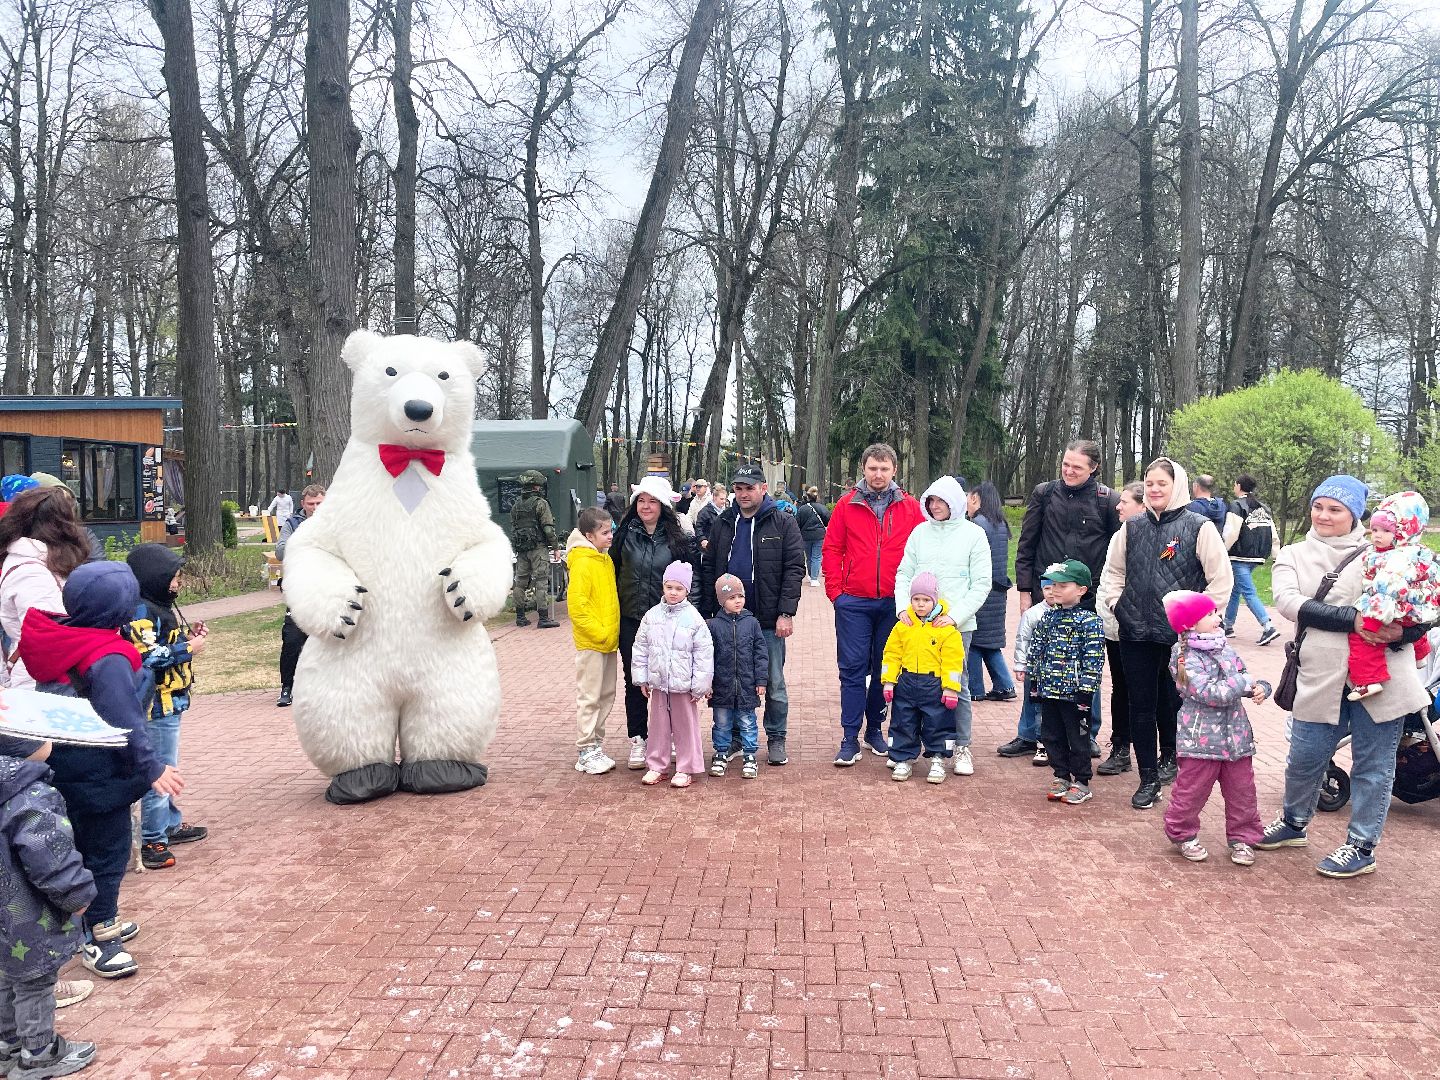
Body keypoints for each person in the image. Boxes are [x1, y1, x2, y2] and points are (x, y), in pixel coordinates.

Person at [1255, 476, 1432, 878]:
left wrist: (1401, 633)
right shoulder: (1295, 554)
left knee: (1374, 766)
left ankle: (1361, 846)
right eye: (1318, 507)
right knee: (1304, 758)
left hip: (1383, 679)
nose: (1324, 515)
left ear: (1355, 514)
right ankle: (1293, 823)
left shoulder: (1389, 550)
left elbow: (1419, 610)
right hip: (1320, 675)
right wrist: (1354, 620)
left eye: (1335, 509)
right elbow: (1289, 602)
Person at [17, 561, 184, 980]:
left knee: (83, 847)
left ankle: (90, 921)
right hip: (100, 772)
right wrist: (152, 766)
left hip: (64, 764)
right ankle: (100, 936)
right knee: (107, 854)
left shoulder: (62, 638)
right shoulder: (106, 656)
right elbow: (124, 717)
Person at [1098, 458, 1233, 811]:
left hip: (1179, 637)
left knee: (1173, 702)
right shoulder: (1132, 528)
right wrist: (1117, 604)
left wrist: (1199, 619)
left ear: (1178, 486)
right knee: (1140, 705)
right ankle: (1148, 779)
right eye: (1150, 483)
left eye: (1162, 483)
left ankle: (1172, 757)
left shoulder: (1199, 527)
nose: (1155, 489)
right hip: (1135, 632)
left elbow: (1220, 580)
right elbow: (1113, 572)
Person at [0, 734, 99, 1078]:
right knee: (35, 982)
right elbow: (51, 858)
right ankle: (39, 1054)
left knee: (5, 976)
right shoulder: (30, 795)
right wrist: (78, 896)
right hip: (26, 916)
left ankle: (7, 1044)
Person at [822, 444, 925, 767]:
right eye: (872, 468)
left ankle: (875, 730)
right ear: (863, 469)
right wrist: (836, 593)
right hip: (853, 601)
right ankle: (849, 737)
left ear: (894, 470)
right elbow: (832, 549)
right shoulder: (847, 505)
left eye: (884, 468)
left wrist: (913, 598)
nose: (878, 474)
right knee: (852, 670)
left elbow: (921, 552)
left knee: (886, 669)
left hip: (894, 603)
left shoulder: (910, 507)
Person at [700, 464, 805, 767]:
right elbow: (710, 568)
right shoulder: (723, 522)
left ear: (763, 489)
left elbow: (794, 569)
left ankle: (776, 737)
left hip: (768, 618)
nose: (743, 494)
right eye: (739, 488)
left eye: (750, 488)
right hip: (727, 620)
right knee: (730, 679)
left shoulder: (783, 522)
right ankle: (735, 738)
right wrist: (707, 612)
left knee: (773, 682)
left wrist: (786, 612)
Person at [1160, 590, 1270, 866]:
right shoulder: (1182, 657)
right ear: (1189, 624)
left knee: (1242, 792)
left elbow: (1242, 676)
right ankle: (1182, 833)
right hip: (1200, 739)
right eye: (1209, 615)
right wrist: (1243, 683)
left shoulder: (1224, 647)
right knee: (1191, 791)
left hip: (1236, 737)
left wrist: (1259, 687)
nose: (1218, 619)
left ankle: (1243, 838)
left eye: (1215, 613)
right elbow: (1208, 692)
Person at [893, 476, 991, 776]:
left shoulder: (974, 535)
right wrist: (903, 608)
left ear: (955, 502)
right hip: (917, 624)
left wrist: (955, 616)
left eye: (941, 501)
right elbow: (904, 573)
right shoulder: (920, 533)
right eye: (931, 500)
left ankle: (961, 746)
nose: (935, 506)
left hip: (955, 626)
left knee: (956, 683)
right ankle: (908, 747)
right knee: (910, 685)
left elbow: (981, 583)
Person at [124, 544, 209, 869]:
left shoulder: (159, 606)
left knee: (168, 766)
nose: (178, 582)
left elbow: (162, 643)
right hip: (155, 706)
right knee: (160, 769)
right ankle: (152, 839)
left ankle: (169, 824)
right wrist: (188, 648)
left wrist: (186, 637)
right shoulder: (140, 611)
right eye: (174, 577)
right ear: (154, 577)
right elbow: (145, 655)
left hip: (171, 701)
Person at [612, 477, 701, 770]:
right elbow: (612, 573)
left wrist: (693, 616)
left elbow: (692, 579)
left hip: (669, 622)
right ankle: (639, 738)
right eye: (641, 500)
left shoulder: (678, 539)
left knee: (672, 682)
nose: (646, 506)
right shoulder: (624, 535)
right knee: (636, 680)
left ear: (662, 505)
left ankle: (671, 738)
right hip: (632, 620)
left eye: (652, 501)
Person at [1346, 491, 1439, 701]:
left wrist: (1372, 621)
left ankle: (1368, 680)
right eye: (1374, 530)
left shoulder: (1397, 558)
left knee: (1363, 640)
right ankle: (1421, 653)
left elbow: (1385, 589)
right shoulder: (1417, 551)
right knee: (1410, 625)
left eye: (1386, 530)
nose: (1377, 535)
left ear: (1403, 532)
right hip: (1414, 609)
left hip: (1393, 608)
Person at [1028, 560, 1105, 805]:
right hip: (1049, 691)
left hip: (1076, 695)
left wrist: (1086, 691)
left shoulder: (1090, 621)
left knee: (1078, 738)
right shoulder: (1048, 617)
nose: (1055, 590)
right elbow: (1036, 650)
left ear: (1081, 590)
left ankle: (1082, 781)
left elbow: (1094, 659)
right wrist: (1034, 682)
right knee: (1051, 736)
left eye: (1063, 585)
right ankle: (1061, 775)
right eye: (1053, 585)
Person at [631, 561, 713, 788]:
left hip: (683, 685)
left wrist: (700, 685)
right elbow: (641, 648)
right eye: (669, 587)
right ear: (663, 587)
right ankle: (657, 765)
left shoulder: (694, 618)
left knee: (686, 727)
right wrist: (642, 677)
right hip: (659, 683)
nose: (673, 592)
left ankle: (686, 767)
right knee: (658, 727)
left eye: (679, 588)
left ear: (687, 590)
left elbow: (704, 654)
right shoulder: (651, 616)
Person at [1014, 440, 1121, 611]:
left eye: (1077, 467)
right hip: (1046, 594)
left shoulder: (1109, 501)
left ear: (1093, 467)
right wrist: (1024, 592)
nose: (1069, 471)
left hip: (1089, 598)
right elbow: (1026, 546)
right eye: (1065, 464)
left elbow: (1118, 555)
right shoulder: (1044, 494)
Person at [0, 488, 91, 690]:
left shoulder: (41, 561)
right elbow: (49, 632)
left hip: (47, 673)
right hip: (42, 680)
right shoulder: (31, 573)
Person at [880, 572, 965, 784]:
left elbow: (953, 661)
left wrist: (951, 687)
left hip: (934, 684)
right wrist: (889, 681)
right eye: (916, 599)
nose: (920, 604)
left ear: (935, 600)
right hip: (907, 682)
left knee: (938, 723)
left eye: (926, 600)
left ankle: (938, 759)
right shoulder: (903, 625)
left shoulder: (946, 630)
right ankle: (903, 758)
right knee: (903, 722)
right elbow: (891, 654)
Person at [1095, 482, 1147, 776]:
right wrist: (1112, 615)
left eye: (1125, 501)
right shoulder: (1119, 535)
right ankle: (1120, 748)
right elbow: (1110, 581)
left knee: (1153, 692)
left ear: (1142, 506)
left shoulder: (1160, 536)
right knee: (1121, 687)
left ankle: (1165, 753)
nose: (1118, 506)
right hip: (1116, 626)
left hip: (1148, 629)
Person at [565, 507, 621, 776]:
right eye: (605, 532)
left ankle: (596, 744)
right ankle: (586, 749)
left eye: (611, 531)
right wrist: (600, 632)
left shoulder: (604, 559)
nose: (610, 536)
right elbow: (577, 607)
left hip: (608, 641)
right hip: (593, 642)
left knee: (606, 695)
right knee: (589, 696)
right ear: (589, 535)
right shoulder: (583, 562)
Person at [706, 574, 767, 780]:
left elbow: (760, 653)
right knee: (721, 723)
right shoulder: (713, 625)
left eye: (740, 596)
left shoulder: (752, 623)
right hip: (721, 685)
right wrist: (707, 683)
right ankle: (721, 753)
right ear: (722, 601)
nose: (738, 601)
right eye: (732, 598)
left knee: (748, 721)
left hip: (747, 685)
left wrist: (761, 680)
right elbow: (707, 657)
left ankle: (749, 756)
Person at [275, 485, 326, 708]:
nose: (315, 508)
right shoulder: (293, 524)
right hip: (300, 592)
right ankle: (287, 686)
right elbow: (280, 551)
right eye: (311, 504)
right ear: (303, 504)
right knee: (292, 639)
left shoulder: (335, 523)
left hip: (327, 591)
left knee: (330, 640)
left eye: (319, 504)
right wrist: (306, 539)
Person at [966, 481, 1016, 703]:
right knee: (989, 641)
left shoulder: (977, 525)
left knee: (974, 640)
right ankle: (1004, 685)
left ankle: (975, 688)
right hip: (998, 591)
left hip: (982, 591)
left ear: (975, 498)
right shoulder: (1000, 523)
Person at [1221, 474, 1281, 644]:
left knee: (1248, 592)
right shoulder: (1263, 507)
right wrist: (1276, 555)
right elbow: (1273, 534)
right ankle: (1228, 625)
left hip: (1239, 555)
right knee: (1236, 590)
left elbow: (1231, 532)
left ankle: (1268, 626)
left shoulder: (1236, 506)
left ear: (1239, 486)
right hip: (1258, 556)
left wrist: (1222, 550)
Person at [510, 470, 560, 629]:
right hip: (538, 548)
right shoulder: (540, 503)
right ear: (536, 486)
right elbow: (548, 529)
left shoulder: (516, 505)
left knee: (520, 582)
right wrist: (555, 547)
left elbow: (514, 527)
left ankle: (520, 617)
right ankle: (543, 618)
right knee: (541, 581)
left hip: (522, 549)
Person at [796, 487, 831, 588]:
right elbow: (828, 520)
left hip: (805, 536)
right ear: (816, 497)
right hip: (819, 535)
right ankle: (814, 579)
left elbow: (797, 523)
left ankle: (811, 575)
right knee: (817, 556)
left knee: (809, 557)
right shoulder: (822, 508)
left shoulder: (802, 509)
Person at [695, 484, 727, 549]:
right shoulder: (704, 512)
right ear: (714, 497)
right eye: (721, 499)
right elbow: (698, 528)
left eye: (725, 499)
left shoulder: (726, 512)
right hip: (709, 547)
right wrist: (703, 539)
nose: (724, 501)